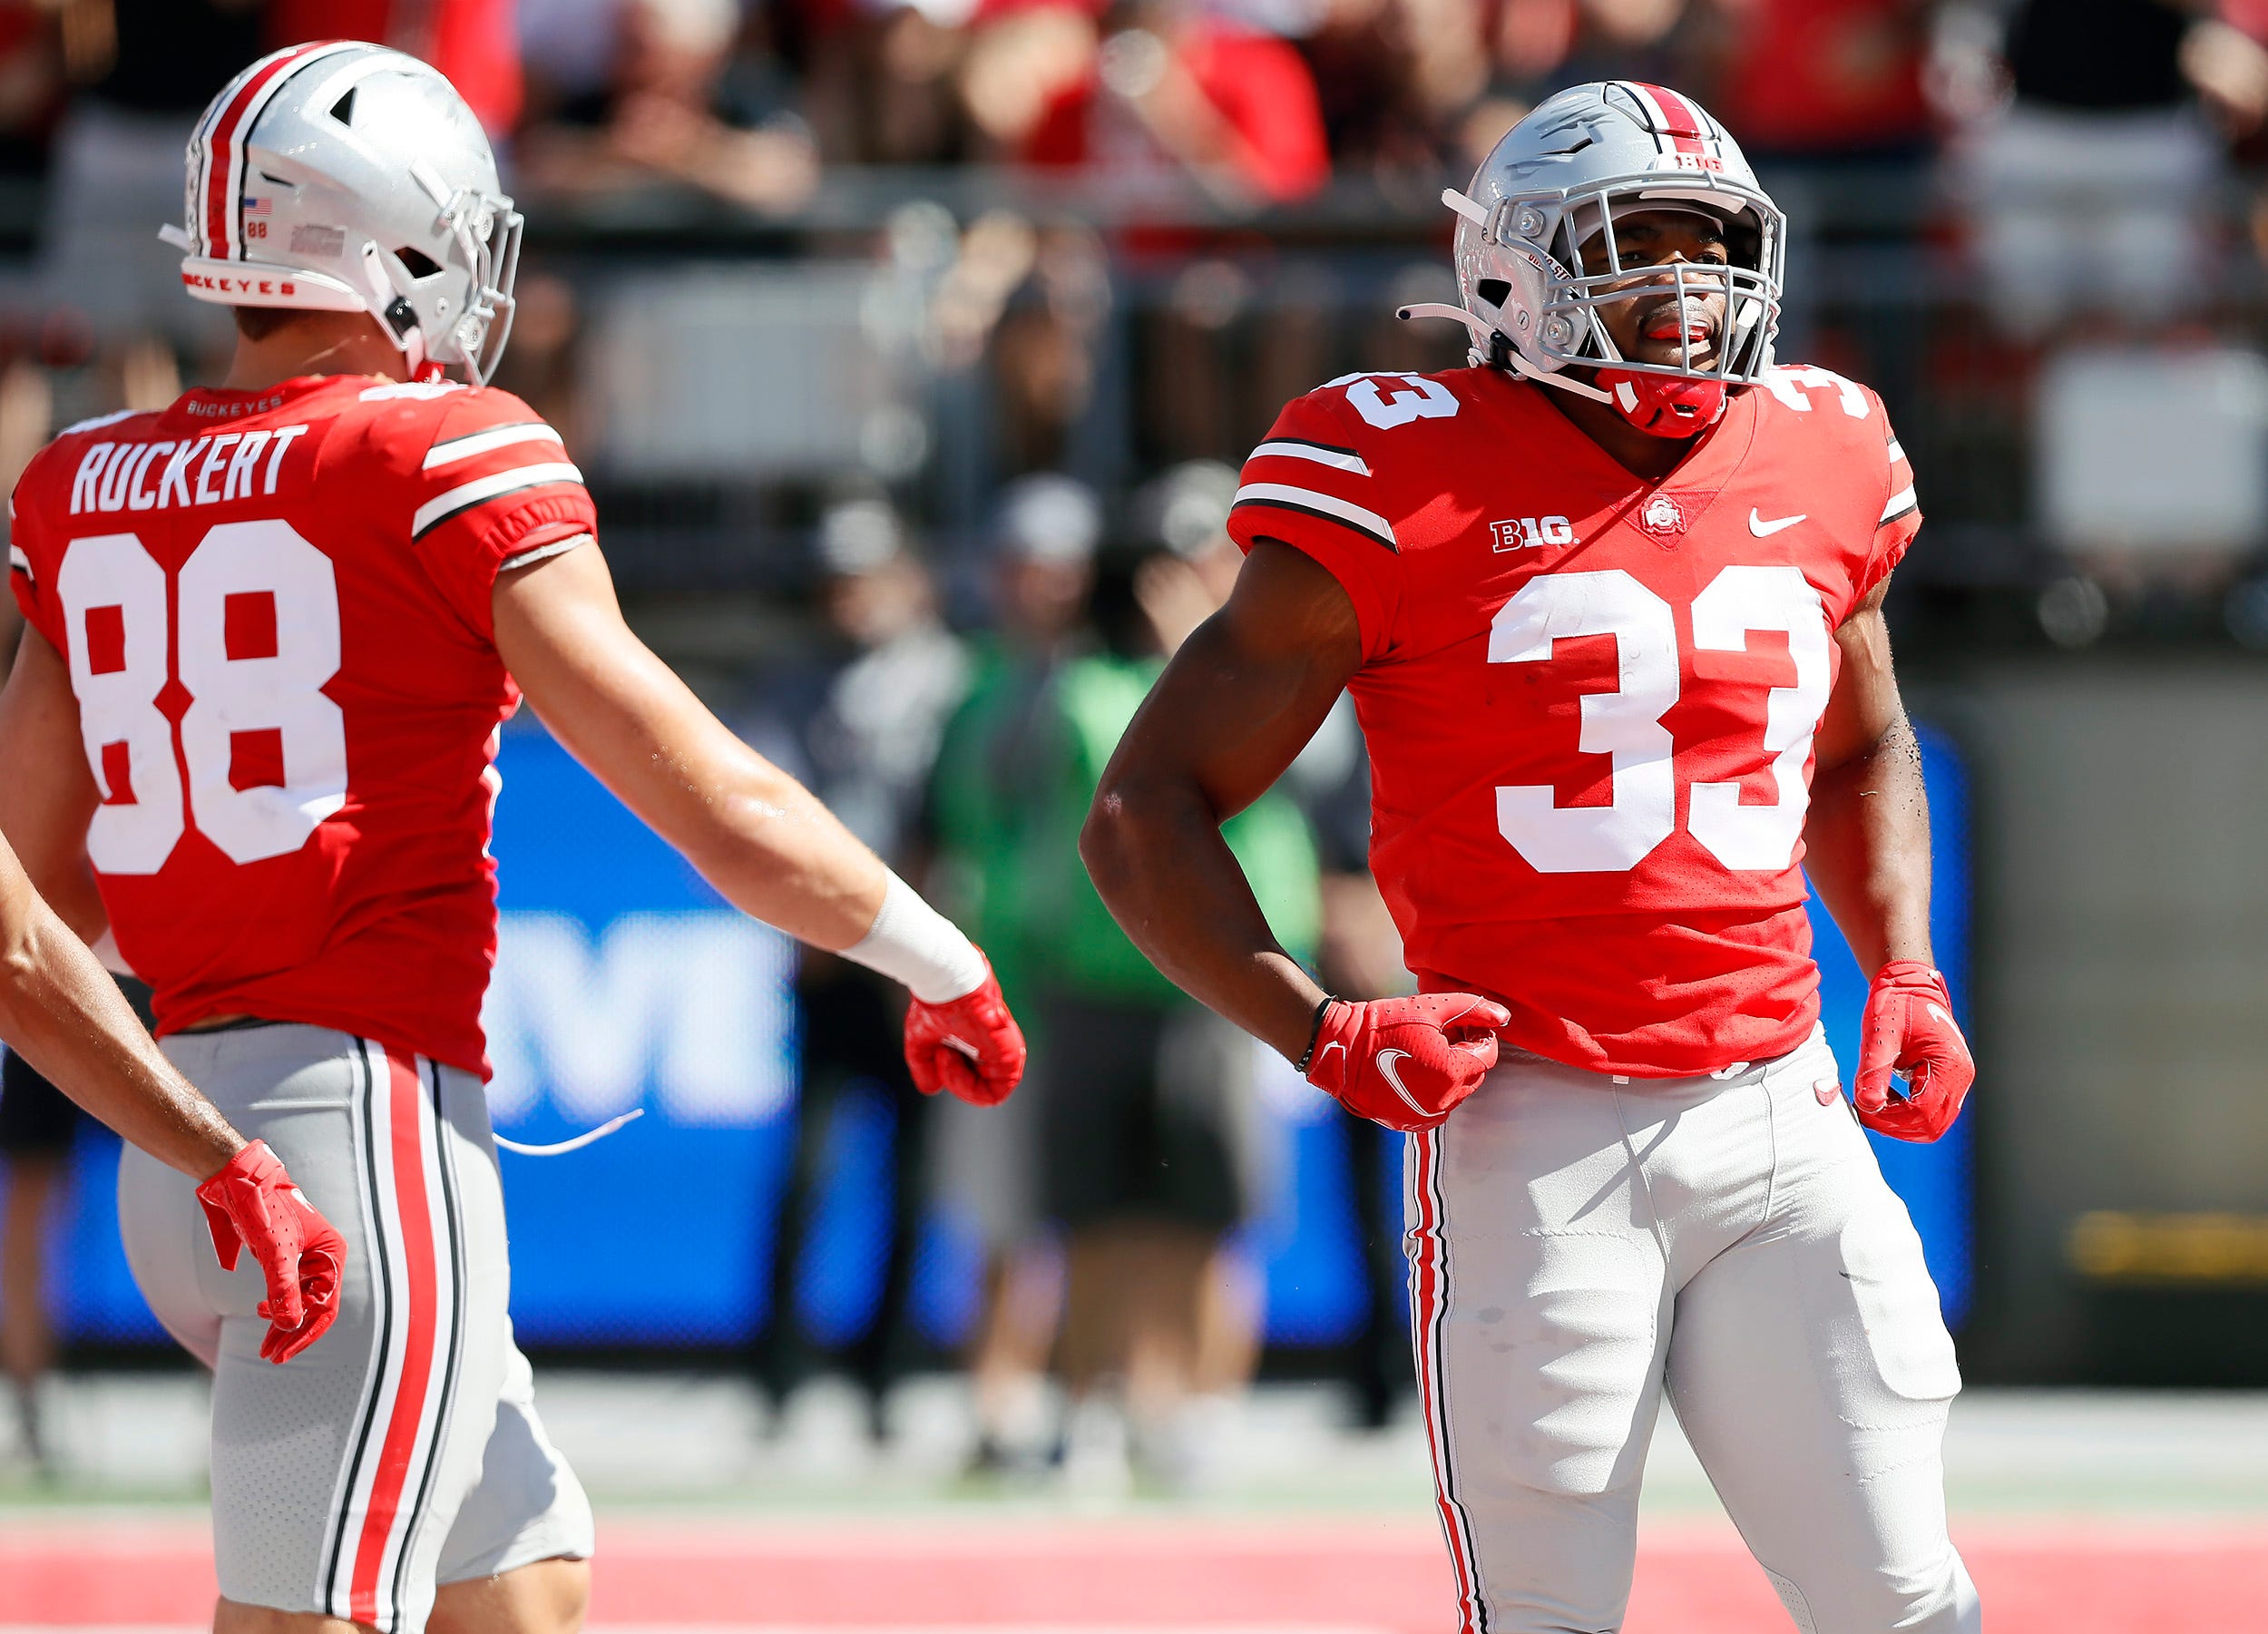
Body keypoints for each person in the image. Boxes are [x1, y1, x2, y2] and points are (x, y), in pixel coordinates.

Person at [0, 40, 1023, 1634]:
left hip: (178, 1129)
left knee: (522, 1583)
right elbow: (717, 799)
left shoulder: (80, 482)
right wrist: (937, 959)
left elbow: (42, 898)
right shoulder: (435, 453)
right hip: (352, 1132)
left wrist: (233, 923)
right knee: (301, 1618)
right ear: (387, 237)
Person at [1081, 81, 1979, 1631]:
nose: (1689, 291)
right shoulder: (1395, 470)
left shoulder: (1824, 445)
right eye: (1640, 247)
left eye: (1713, 247)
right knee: (1549, 1613)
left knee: (1908, 1602)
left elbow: (1857, 744)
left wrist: (1903, 956)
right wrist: (1316, 1026)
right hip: (1534, 1126)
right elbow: (1142, 807)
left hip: (1781, 1103)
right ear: (1514, 270)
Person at [1041, 466, 1321, 1495]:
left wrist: (1216, 665)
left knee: (1210, 1217)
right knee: (1097, 1219)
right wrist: (1187, 669)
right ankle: (1092, 1417)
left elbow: (1287, 785)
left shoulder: (1304, 670)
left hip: (1228, 984)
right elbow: (1126, 791)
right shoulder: (1084, 682)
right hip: (1104, 981)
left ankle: (1198, 1416)